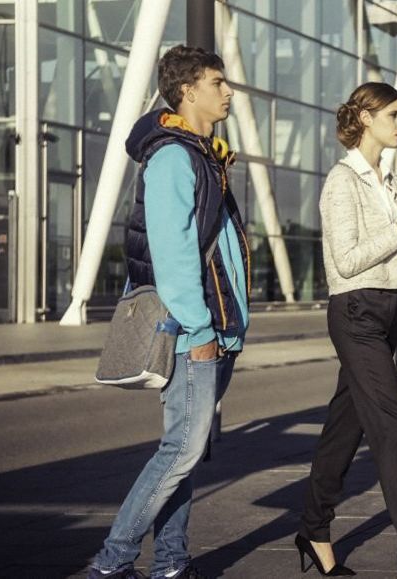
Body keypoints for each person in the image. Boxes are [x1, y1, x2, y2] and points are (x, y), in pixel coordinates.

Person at [88, 45, 249, 579]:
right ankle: (111, 564)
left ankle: (172, 564)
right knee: (180, 451)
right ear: (188, 90)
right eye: (218, 82)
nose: (228, 92)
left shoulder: (205, 156)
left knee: (186, 453)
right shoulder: (173, 158)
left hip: (215, 330)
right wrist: (201, 328)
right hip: (191, 331)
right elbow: (174, 253)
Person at [296, 82, 397, 579]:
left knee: (346, 426)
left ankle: (313, 530)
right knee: (393, 425)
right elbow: (347, 260)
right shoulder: (342, 181)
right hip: (356, 314)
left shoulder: (387, 180)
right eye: (394, 115)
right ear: (365, 117)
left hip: (390, 311)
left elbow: (390, 258)